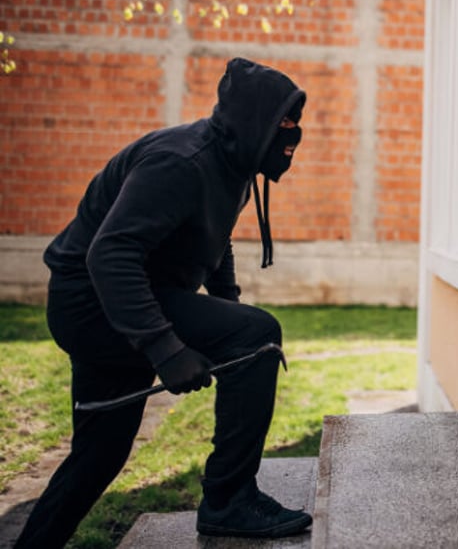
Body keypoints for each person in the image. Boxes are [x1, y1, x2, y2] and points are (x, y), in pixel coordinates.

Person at [14, 57, 312, 548]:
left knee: (99, 455)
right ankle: (228, 501)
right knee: (258, 334)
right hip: (91, 302)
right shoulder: (181, 163)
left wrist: (227, 308)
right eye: (283, 121)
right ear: (252, 118)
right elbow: (108, 254)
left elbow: (216, 241)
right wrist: (166, 349)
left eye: (296, 122)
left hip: (128, 297)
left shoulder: (234, 162)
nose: (293, 133)